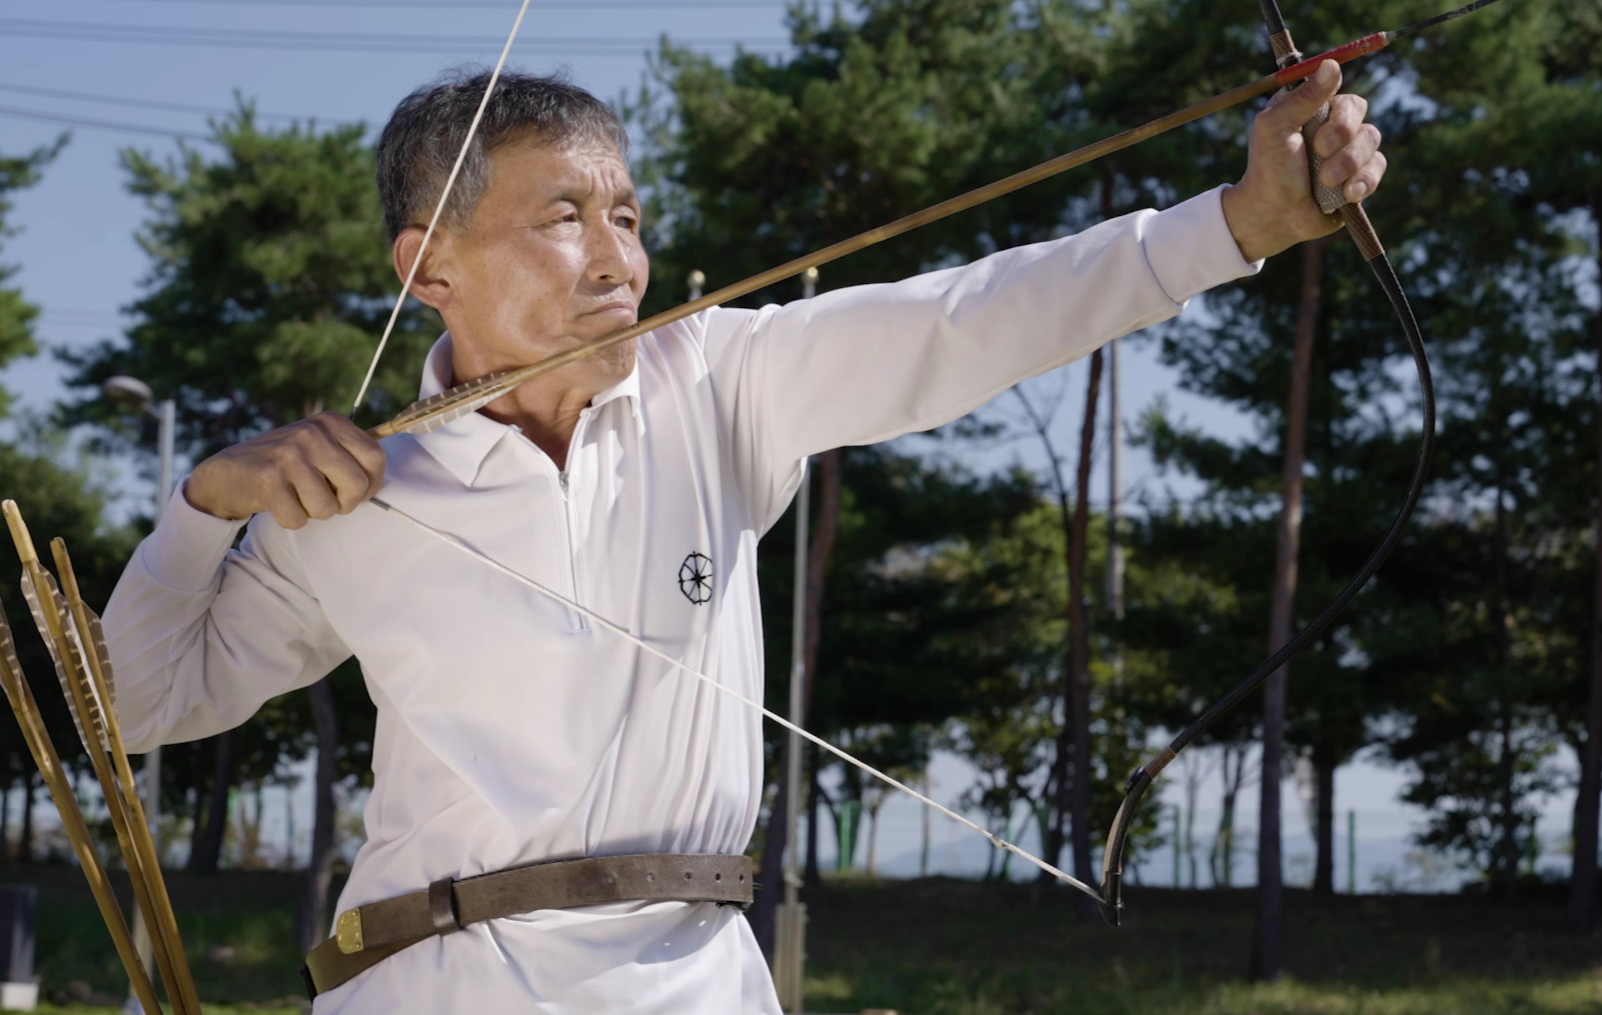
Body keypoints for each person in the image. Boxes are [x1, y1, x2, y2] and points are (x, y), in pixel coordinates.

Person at [104, 62, 1385, 1014]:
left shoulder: (714, 381)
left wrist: (1237, 224)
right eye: (564, 218)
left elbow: (964, 320)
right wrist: (203, 509)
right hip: (430, 981)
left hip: (691, 984)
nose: (619, 260)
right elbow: (136, 706)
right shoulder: (356, 489)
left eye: (630, 217)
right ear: (428, 267)